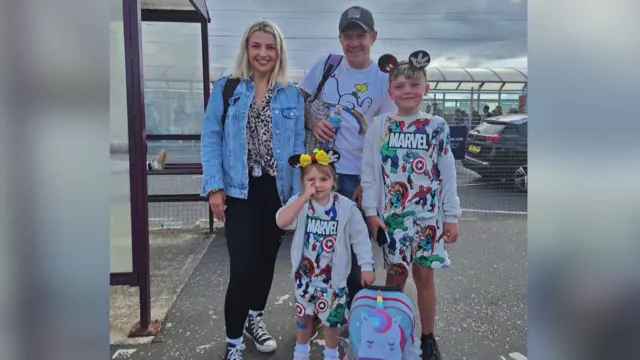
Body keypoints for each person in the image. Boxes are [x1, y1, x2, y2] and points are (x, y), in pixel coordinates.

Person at [200, 20, 305, 360]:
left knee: (263, 265)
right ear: (247, 49)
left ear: (279, 53)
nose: (263, 53)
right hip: (238, 191)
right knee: (242, 267)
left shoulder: (292, 94)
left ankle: (254, 320)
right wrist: (214, 187)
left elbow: (299, 148)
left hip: (276, 192)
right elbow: (210, 139)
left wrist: (300, 195)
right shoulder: (228, 89)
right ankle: (233, 344)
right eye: (256, 46)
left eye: (270, 47)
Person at [297, 5, 396, 336]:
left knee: (354, 252)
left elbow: (386, 137)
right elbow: (296, 102)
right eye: (347, 35)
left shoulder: (384, 81)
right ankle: (315, 316)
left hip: (356, 177)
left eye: (360, 35)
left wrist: (370, 185)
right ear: (340, 38)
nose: (354, 42)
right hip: (321, 173)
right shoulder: (328, 65)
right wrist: (313, 120)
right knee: (316, 249)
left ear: (373, 37)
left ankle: (353, 322)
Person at [360, 51, 462, 360]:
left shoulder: (436, 127)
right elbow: (370, 173)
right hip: (393, 221)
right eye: (400, 85)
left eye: (414, 84)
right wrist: (371, 214)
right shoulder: (380, 126)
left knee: (425, 278)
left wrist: (452, 216)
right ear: (390, 92)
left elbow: (447, 173)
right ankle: (393, 333)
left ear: (426, 89)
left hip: (428, 220)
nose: (407, 90)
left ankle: (428, 337)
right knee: (395, 277)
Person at [275, 149, 376, 360]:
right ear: (303, 182)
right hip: (305, 279)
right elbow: (281, 222)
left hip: (333, 283)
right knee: (304, 318)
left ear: (334, 181)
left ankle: (331, 354)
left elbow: (360, 238)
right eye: (311, 179)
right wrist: (302, 199)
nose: (317, 184)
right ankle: (300, 353)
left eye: (323, 179)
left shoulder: (346, 208)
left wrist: (367, 266)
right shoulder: (300, 203)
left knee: (332, 323)